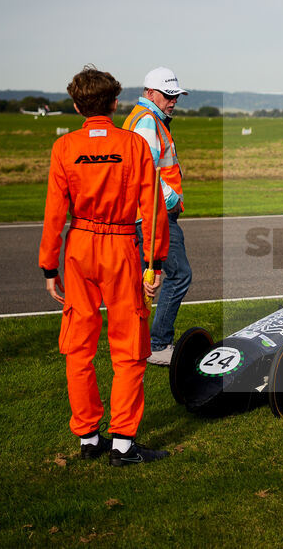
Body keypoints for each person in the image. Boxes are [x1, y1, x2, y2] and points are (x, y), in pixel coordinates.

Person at [39, 66, 171, 466]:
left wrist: (49, 267)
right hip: (119, 248)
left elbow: (53, 214)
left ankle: (88, 437)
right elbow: (152, 210)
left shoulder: (64, 148)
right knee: (129, 346)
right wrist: (155, 264)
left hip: (78, 248)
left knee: (77, 346)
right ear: (115, 103)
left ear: (77, 105)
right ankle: (123, 445)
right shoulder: (132, 145)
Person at [122, 67, 192, 366]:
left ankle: (137, 342)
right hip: (154, 214)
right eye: (168, 95)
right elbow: (146, 172)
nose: (173, 101)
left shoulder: (142, 118)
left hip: (144, 213)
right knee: (179, 276)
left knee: (146, 282)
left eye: (175, 95)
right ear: (150, 93)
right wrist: (173, 199)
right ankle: (158, 343)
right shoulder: (148, 122)